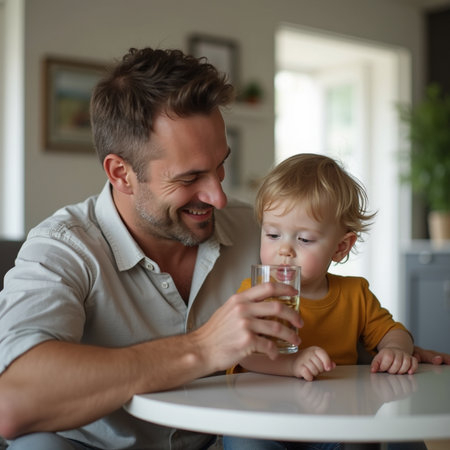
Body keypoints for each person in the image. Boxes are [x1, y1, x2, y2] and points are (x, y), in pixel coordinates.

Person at [0, 47, 447, 450]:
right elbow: (13, 400)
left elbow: (326, 314)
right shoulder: (63, 249)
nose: (217, 196)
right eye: (190, 177)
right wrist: (202, 348)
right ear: (121, 173)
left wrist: (386, 348)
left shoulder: (266, 234)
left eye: (221, 167)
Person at [222, 153, 420, 450]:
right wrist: (292, 364)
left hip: (331, 423)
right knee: (241, 441)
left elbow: (392, 331)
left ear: (341, 247)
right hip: (261, 420)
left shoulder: (356, 295)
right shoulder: (256, 292)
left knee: (387, 437)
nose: (285, 250)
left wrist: (396, 350)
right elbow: (244, 355)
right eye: (273, 234)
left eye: (304, 240)